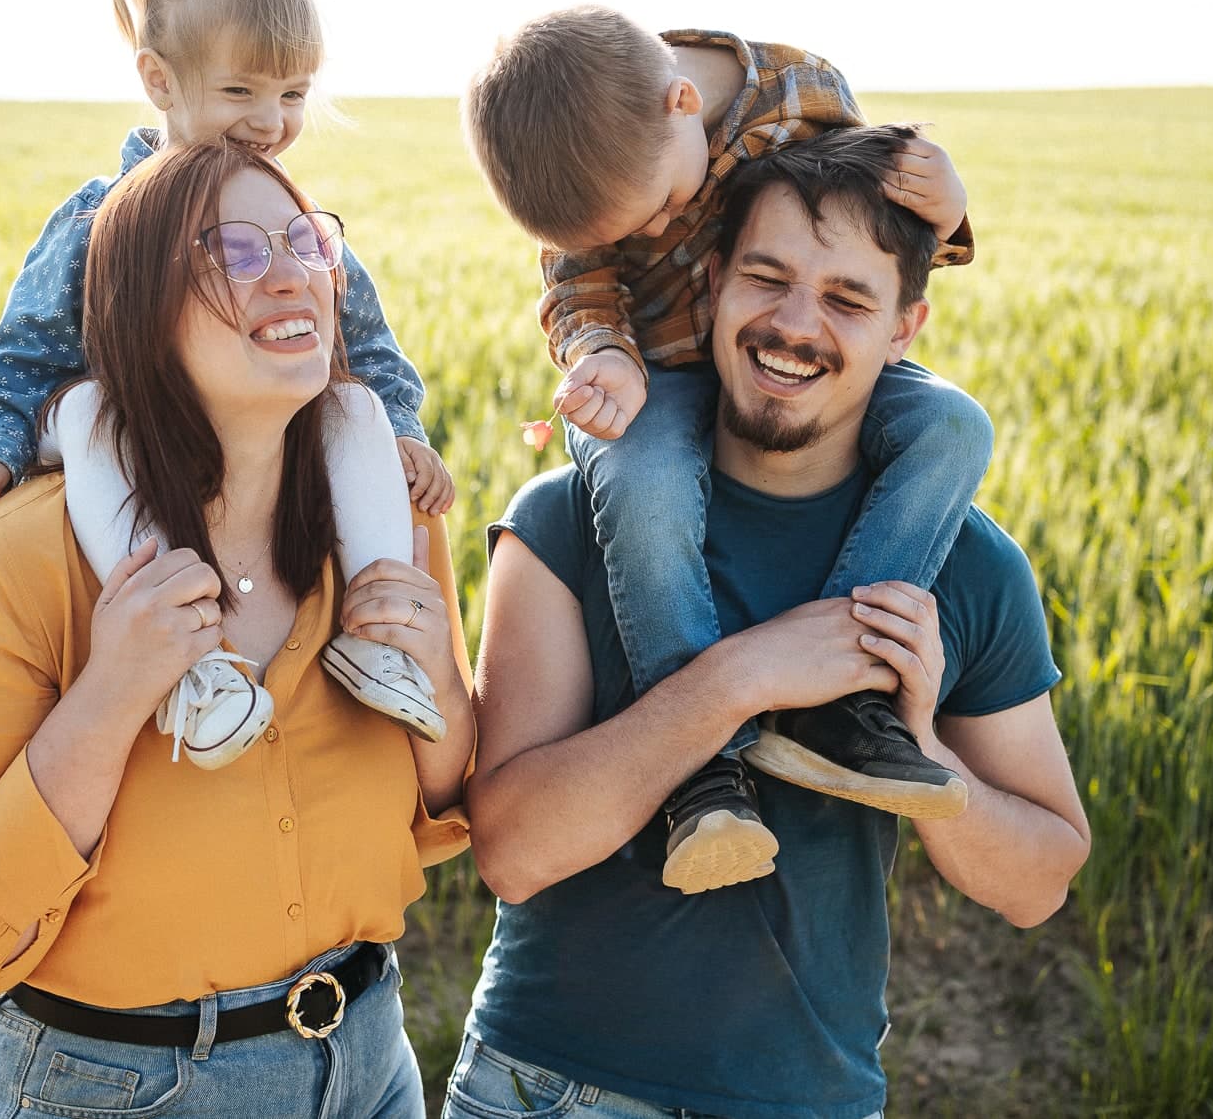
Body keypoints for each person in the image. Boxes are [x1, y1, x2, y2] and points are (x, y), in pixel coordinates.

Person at [451, 127, 1089, 1119]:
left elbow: (1038, 882)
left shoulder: (962, 564)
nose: (795, 325)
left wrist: (920, 748)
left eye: (845, 299)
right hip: (547, 1090)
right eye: (765, 278)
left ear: (904, 326)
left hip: (806, 1098)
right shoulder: (564, 518)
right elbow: (514, 849)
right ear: (708, 284)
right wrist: (740, 679)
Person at [0, 140, 475, 1118]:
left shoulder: (385, 528)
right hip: (110, 1088)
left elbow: (438, 819)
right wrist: (108, 699)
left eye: (304, 241)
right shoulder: (16, 560)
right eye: (231, 251)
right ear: (137, 308)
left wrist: (440, 684)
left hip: (367, 1065)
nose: (288, 274)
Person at [463, 8, 993, 893]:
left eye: (663, 205)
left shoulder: (800, 95)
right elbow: (579, 290)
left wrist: (951, 210)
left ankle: (843, 704)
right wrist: (605, 356)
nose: (657, 230)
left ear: (682, 103)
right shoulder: (595, 172)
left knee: (955, 427)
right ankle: (704, 769)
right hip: (663, 376)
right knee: (643, 479)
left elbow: (872, 229)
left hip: (795, 359)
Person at [0, 0, 454, 757]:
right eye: (241, 92)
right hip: (131, 435)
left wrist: (399, 429)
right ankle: (189, 662)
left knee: (353, 405)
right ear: (160, 80)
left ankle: (382, 635)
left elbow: (367, 339)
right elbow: (22, 347)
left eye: (293, 94)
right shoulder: (103, 217)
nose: (271, 122)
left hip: (257, 448)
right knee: (90, 408)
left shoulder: (286, 214)